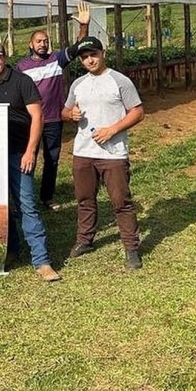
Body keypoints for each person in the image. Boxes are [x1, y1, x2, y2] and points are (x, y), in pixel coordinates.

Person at [0, 40, 61, 282]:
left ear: (4, 57)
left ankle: (42, 260)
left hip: (18, 153)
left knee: (27, 205)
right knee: (1, 206)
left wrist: (31, 151)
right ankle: (10, 251)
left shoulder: (22, 81)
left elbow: (37, 116)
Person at [61, 36, 145, 270]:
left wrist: (113, 129)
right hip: (83, 151)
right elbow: (65, 111)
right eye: (85, 57)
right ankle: (85, 240)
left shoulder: (120, 81)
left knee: (121, 201)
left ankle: (131, 247)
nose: (90, 60)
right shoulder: (78, 84)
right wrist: (71, 115)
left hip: (113, 154)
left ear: (103, 53)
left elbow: (137, 112)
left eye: (93, 55)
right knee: (85, 199)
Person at [15, 2, 91, 211]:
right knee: (26, 158)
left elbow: (79, 48)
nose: (42, 44)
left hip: (53, 120)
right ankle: (24, 198)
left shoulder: (56, 60)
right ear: (31, 44)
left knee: (52, 160)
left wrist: (84, 26)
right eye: (39, 41)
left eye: (45, 41)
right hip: (30, 122)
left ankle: (47, 197)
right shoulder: (21, 67)